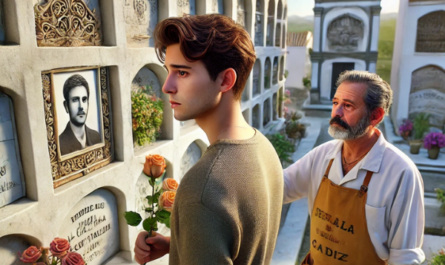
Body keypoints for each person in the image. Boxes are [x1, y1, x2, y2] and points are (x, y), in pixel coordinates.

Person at [134, 14, 283, 264]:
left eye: (182, 72)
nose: (166, 86)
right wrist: (182, 245)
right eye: (168, 71)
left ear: (225, 80)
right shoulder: (262, 147)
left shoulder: (203, 189)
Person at [284, 70, 425, 265]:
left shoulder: (400, 173)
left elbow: (405, 257)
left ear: (375, 116)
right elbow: (280, 187)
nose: (337, 113)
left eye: (348, 106)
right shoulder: (322, 155)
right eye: (335, 103)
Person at [59, 74, 101, 155]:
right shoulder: (59, 145)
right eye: (75, 100)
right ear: (66, 106)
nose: (81, 107)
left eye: (84, 99)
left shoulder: (96, 137)